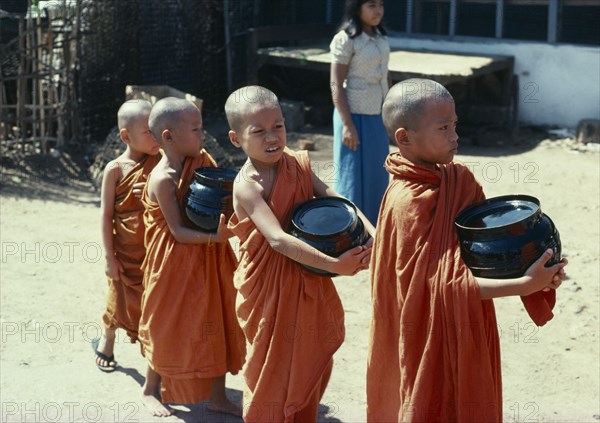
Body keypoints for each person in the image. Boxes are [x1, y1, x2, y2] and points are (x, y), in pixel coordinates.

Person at [366, 78, 568, 422]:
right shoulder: (407, 202)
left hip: (469, 321)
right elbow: (434, 289)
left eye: (455, 124)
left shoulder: (461, 181)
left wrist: (539, 270)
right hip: (427, 333)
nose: (454, 135)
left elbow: (490, 255)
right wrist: (523, 285)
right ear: (404, 138)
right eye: (443, 128)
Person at [224, 85, 375, 423]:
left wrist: (374, 234)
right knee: (271, 369)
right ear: (236, 139)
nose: (272, 136)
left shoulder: (295, 163)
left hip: (307, 278)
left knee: (311, 357)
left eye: (277, 126)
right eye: (258, 131)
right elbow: (277, 240)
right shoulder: (248, 186)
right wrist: (336, 264)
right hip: (268, 292)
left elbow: (336, 200)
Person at [137, 97, 246, 417]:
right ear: (168, 137)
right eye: (196, 129)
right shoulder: (162, 179)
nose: (204, 135)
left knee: (218, 317)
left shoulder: (202, 161)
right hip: (173, 264)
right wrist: (219, 237)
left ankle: (217, 395)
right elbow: (178, 232)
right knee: (167, 324)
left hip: (209, 259)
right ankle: (150, 388)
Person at [94, 99, 161, 372]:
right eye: (148, 132)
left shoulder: (162, 163)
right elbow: (105, 214)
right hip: (126, 253)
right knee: (117, 301)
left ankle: (156, 364)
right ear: (126, 136)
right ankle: (107, 341)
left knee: (155, 306)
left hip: (154, 255)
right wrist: (109, 258)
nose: (156, 137)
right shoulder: (115, 169)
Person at [329, 0, 390, 223]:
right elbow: (336, 84)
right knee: (351, 175)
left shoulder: (381, 37)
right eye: (371, 5)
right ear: (357, 8)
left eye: (381, 5)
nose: (378, 10)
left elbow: (385, 75)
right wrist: (347, 124)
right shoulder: (345, 40)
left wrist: (391, 109)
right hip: (352, 115)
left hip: (377, 115)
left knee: (377, 173)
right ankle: (349, 228)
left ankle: (376, 230)